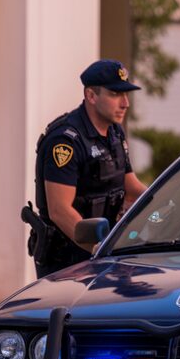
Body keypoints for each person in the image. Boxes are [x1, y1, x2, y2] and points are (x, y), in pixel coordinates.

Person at [26, 60, 147, 278]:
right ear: (91, 96)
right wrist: (99, 249)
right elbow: (59, 210)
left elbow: (131, 188)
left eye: (126, 94)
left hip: (103, 254)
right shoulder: (65, 140)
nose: (125, 103)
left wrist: (168, 201)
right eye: (115, 94)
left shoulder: (115, 133)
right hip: (67, 262)